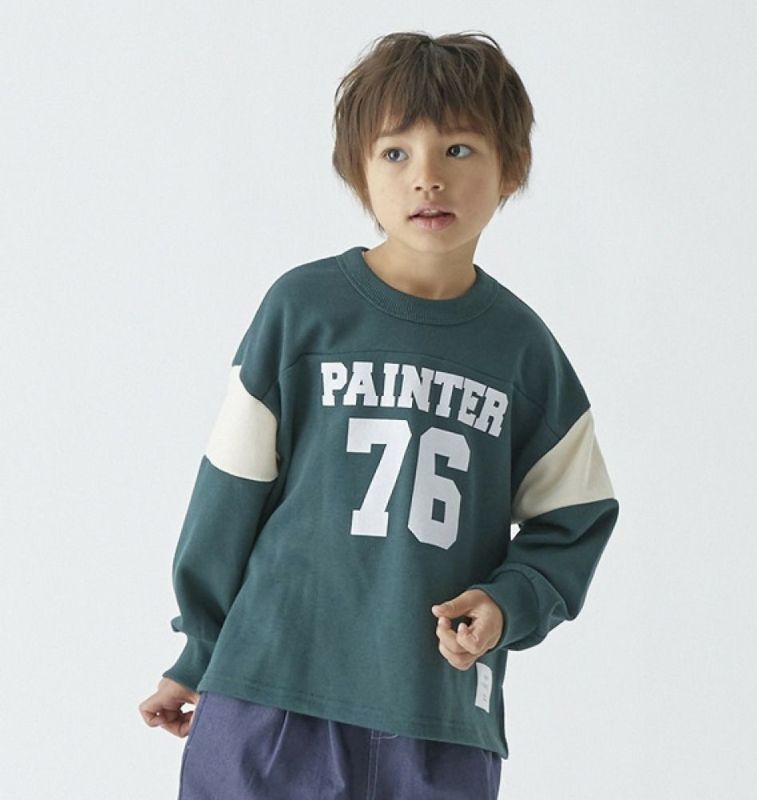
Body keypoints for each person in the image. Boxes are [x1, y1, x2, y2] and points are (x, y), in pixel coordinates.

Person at [139, 30, 620, 800]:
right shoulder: (303, 312)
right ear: (358, 170)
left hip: (438, 718)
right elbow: (229, 493)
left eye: (458, 149)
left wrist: (508, 603)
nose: (428, 176)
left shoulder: (524, 353)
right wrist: (199, 651)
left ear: (510, 167)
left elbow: (576, 516)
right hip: (271, 694)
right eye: (396, 152)